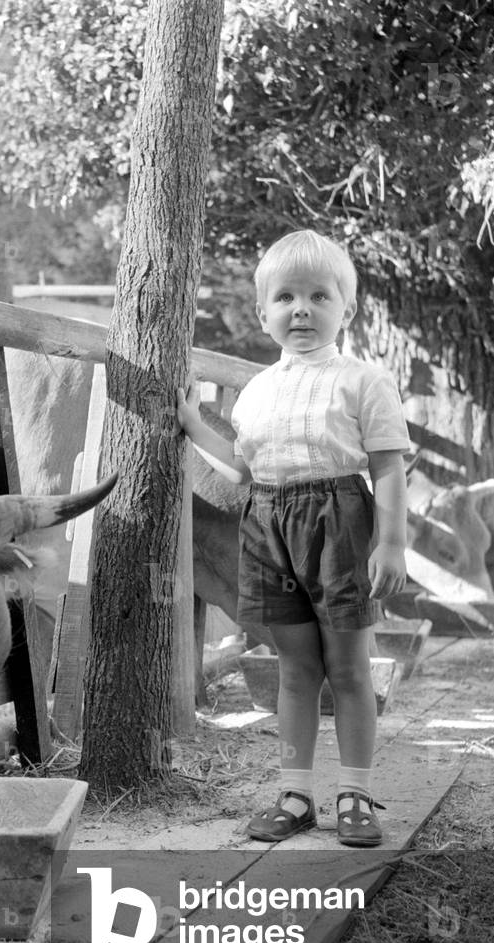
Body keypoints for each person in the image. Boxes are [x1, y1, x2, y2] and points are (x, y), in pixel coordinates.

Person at [176, 230, 410, 847]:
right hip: (268, 525)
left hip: (339, 524)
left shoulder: (364, 381)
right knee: (295, 667)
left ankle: (355, 794)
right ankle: (296, 793)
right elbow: (245, 472)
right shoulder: (256, 393)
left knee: (350, 668)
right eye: (284, 297)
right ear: (263, 313)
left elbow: (387, 465)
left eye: (317, 296)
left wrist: (391, 543)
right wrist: (196, 426)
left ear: (346, 309)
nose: (300, 309)